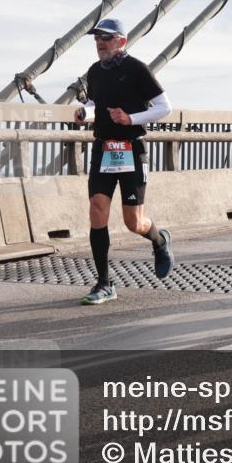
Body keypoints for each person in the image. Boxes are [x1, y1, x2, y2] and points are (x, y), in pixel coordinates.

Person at [73, 18, 174, 305]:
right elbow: (95, 104)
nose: (100, 42)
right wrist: (84, 112)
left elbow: (164, 107)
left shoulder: (137, 69)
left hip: (131, 150)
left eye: (106, 37)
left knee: (134, 222)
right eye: (96, 38)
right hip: (104, 149)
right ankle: (104, 283)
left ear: (122, 41)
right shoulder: (94, 72)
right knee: (97, 209)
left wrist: (131, 119)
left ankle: (160, 240)